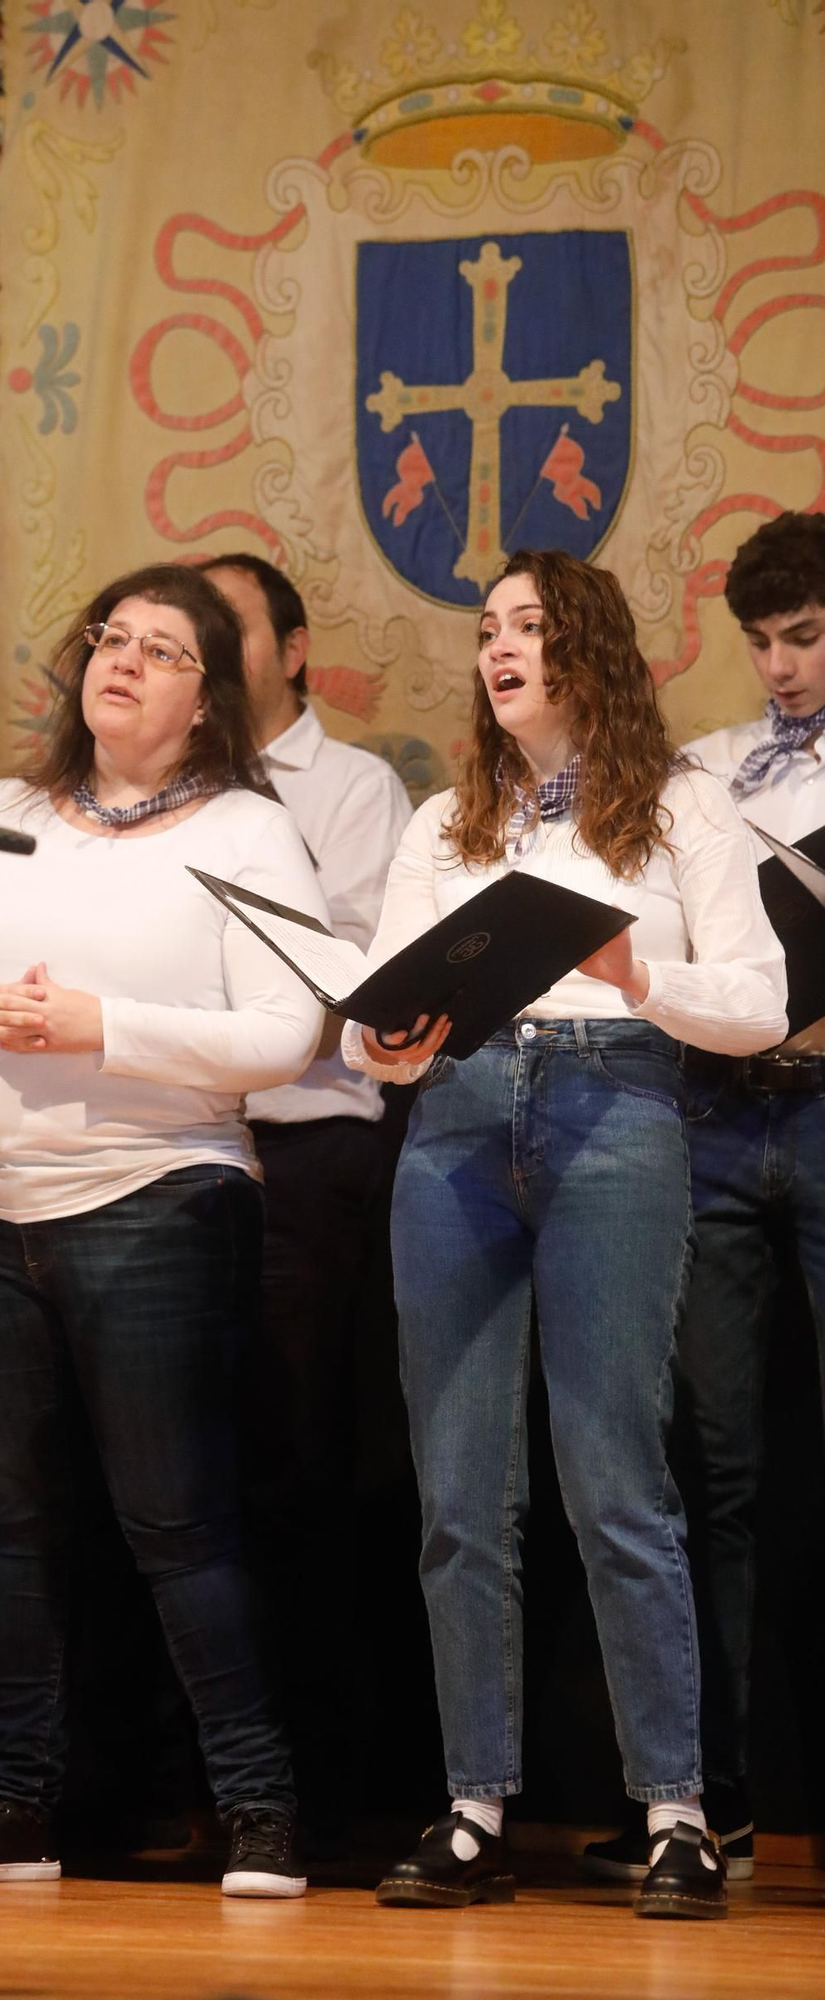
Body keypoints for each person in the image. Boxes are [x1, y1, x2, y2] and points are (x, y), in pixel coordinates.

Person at [344, 548, 786, 1920]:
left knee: (617, 1479)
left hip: (614, 1111)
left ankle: (673, 1810)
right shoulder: (442, 819)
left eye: (528, 625)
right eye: (485, 629)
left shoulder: (680, 807)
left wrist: (635, 973)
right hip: (462, 1126)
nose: (499, 647)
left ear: (587, 646)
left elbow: (761, 1005)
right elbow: (381, 1036)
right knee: (462, 1494)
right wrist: (390, 1041)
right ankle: (473, 1807)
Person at [0, 562, 325, 1898]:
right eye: (109, 639)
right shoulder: (8, 810)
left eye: (162, 650)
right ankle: (15, 1803)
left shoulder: (247, 831)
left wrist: (101, 1029)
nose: (121, 662)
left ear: (209, 697)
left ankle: (257, 1809)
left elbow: (284, 1034)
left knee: (175, 1522)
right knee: (13, 1525)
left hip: (157, 1194)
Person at [583, 510, 825, 1885]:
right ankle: (707, 1796)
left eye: (803, 637)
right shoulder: (710, 773)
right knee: (711, 1466)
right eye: (760, 642)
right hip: (725, 1115)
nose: (779, 667)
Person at [196, 552, 412, 1838]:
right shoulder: (166, 790)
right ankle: (200, 1776)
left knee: (292, 1461)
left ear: (292, 649)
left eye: (227, 632)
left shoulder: (353, 787)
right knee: (183, 1471)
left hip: (305, 1150)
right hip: (173, 1140)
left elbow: (355, 974)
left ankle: (313, 1784)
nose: (207, 658)